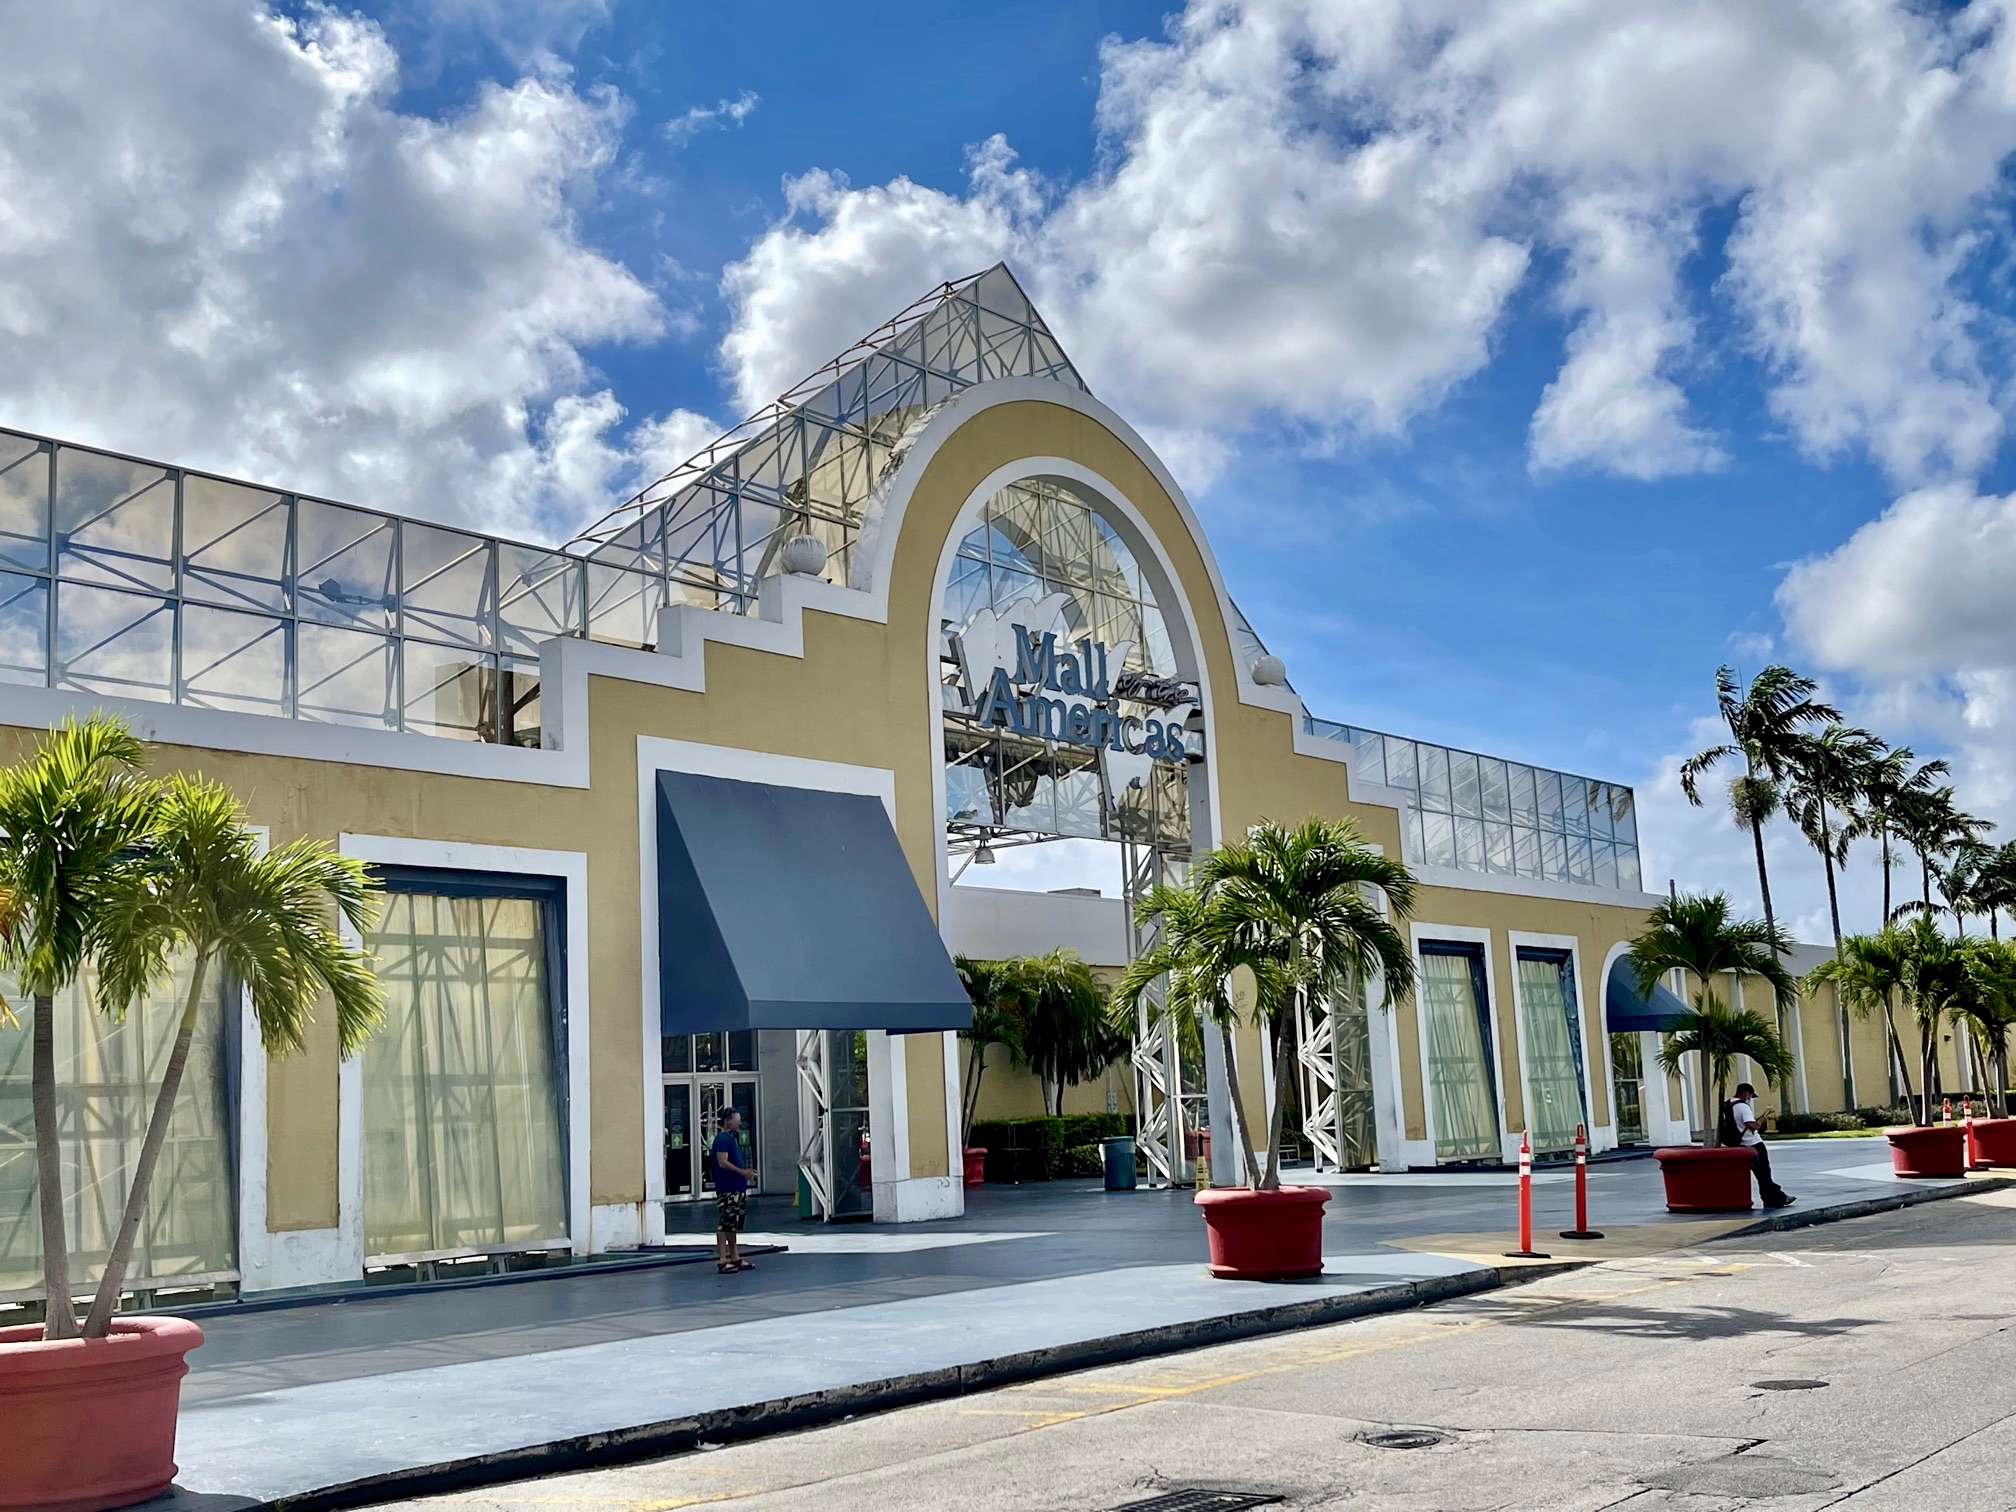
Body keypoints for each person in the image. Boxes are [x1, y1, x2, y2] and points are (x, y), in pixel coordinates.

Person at [1729, 1082, 1793, 1209]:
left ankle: (1780, 1196)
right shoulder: (1743, 1107)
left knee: (1761, 1175)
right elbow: (1752, 1125)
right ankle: (1773, 1200)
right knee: (1763, 1174)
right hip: (1753, 1144)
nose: (1749, 1099)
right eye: (1749, 1096)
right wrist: (1762, 1120)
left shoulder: (1729, 1105)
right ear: (1744, 1093)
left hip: (1739, 1145)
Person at [710, 1107, 759, 1273]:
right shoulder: (723, 1140)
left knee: (732, 1224)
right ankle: (723, 1260)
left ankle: (735, 1257)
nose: (739, 1123)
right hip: (728, 1188)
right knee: (725, 1222)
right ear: (729, 1121)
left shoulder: (730, 1139)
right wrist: (743, 1172)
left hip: (736, 1187)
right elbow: (722, 1161)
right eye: (737, 1120)